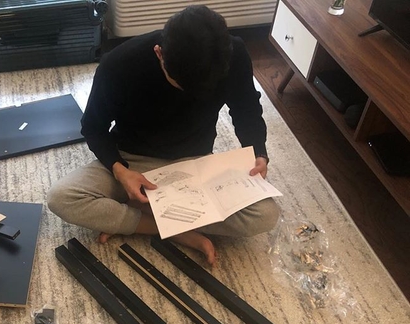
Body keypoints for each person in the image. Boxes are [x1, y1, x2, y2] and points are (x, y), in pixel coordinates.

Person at [47, 5, 279, 265]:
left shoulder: (232, 54)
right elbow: (93, 127)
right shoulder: (120, 64)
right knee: (62, 198)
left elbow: (247, 109)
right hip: (132, 160)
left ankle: (143, 212)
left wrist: (259, 152)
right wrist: (120, 171)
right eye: (179, 84)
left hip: (195, 163)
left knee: (265, 215)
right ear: (159, 53)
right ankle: (169, 228)